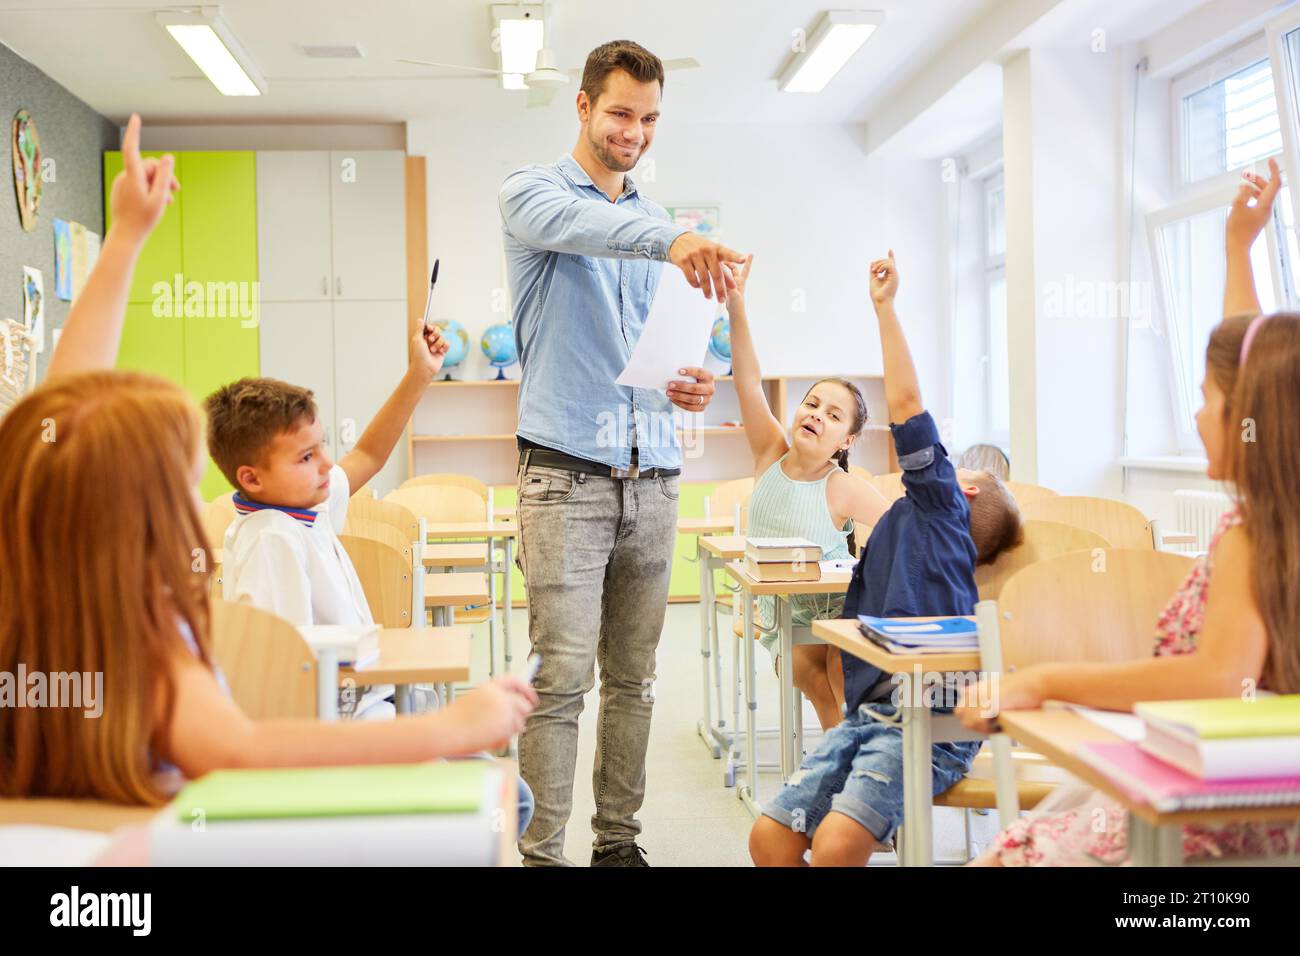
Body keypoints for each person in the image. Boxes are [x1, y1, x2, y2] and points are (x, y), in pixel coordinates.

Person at [498, 39, 746, 866]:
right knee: (562, 680)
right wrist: (666, 240)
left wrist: (696, 382)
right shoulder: (532, 194)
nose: (634, 131)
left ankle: (618, 845)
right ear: (582, 106)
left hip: (655, 477)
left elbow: (669, 348)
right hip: (566, 478)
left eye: (648, 119)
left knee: (635, 680)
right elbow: (586, 227)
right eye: (619, 113)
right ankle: (541, 854)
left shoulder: (656, 223)